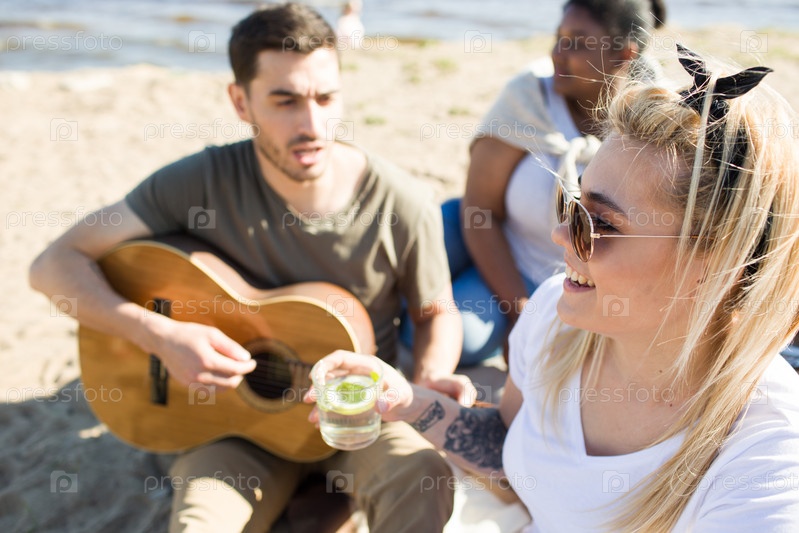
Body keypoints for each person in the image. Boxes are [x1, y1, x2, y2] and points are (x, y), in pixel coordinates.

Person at [314, 45, 799, 531]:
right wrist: (410, 402)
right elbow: (512, 448)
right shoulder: (553, 315)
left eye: (600, 223)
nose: (560, 234)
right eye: (572, 204)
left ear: (717, 266)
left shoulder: (767, 460)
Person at [29, 3, 465, 531]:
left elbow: (435, 312)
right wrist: (158, 334)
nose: (312, 125)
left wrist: (430, 380)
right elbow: (54, 264)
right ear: (240, 101)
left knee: (424, 475)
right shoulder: (199, 183)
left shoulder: (401, 202)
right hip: (233, 433)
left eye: (326, 98)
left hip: (357, 418)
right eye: (285, 101)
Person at [437, 0, 667, 365]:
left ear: (624, 54)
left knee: (464, 339)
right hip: (495, 241)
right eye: (559, 38)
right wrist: (519, 311)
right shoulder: (527, 99)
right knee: (433, 314)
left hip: (567, 277)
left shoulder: (653, 128)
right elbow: (479, 211)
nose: (557, 53)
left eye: (577, 42)